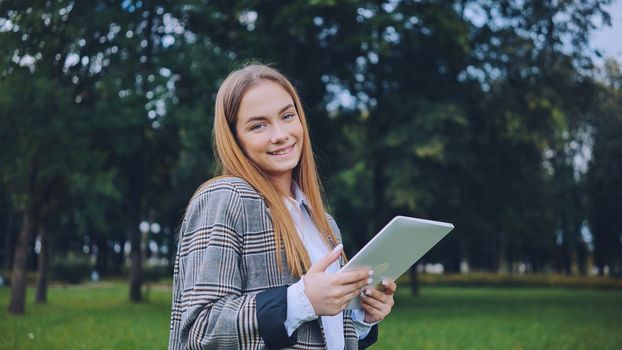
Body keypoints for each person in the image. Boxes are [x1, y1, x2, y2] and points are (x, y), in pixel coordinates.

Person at [168, 64, 396, 350]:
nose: (280, 134)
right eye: (258, 125)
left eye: (288, 116)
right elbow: (199, 329)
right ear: (235, 138)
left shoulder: (323, 222)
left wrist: (363, 317)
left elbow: (324, 335)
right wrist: (301, 300)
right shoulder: (226, 197)